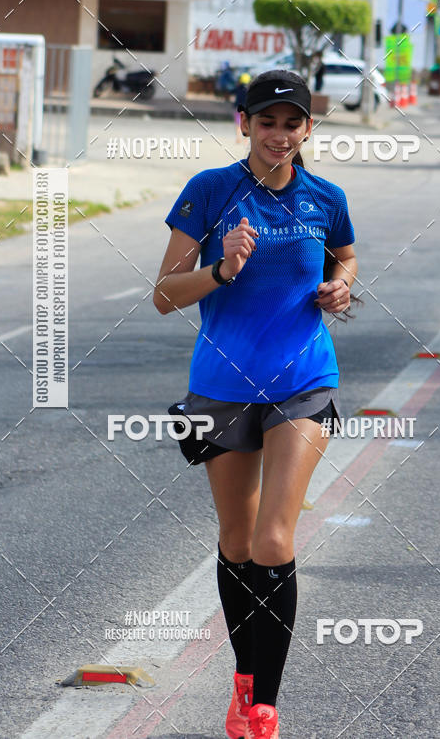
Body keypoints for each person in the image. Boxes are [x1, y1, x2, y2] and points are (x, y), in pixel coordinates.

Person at [153, 70, 358, 739]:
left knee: (274, 538)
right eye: (266, 121)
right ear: (244, 123)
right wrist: (220, 271)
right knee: (238, 541)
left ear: (307, 130)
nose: (278, 134)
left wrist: (339, 288)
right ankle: (244, 678)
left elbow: (346, 258)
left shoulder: (325, 197)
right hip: (220, 388)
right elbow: (163, 295)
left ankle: (263, 710)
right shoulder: (208, 193)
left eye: (290, 123)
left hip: (304, 383)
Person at [234, 72, 251, 143]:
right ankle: (246, 139)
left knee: (238, 124)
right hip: (247, 108)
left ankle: (238, 138)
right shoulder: (250, 90)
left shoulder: (238, 88)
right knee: (246, 124)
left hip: (238, 108)